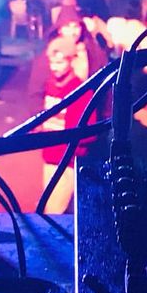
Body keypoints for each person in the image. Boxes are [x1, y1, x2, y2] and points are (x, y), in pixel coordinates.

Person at [37, 33, 98, 214]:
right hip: (49, 157)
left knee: (53, 212)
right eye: (52, 62)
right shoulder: (50, 85)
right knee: (48, 207)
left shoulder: (80, 92)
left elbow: (88, 133)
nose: (54, 67)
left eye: (60, 62)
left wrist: (73, 151)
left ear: (71, 60)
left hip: (66, 162)